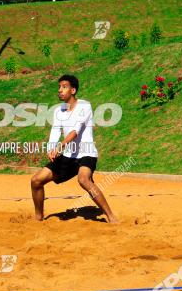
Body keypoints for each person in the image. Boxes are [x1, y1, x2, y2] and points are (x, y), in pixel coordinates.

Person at [30, 74, 119, 223]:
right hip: (68, 156)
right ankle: (38, 217)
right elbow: (55, 130)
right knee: (36, 181)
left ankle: (111, 216)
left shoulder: (85, 106)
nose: (60, 90)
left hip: (86, 153)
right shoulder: (59, 111)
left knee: (83, 179)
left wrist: (59, 146)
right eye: (59, 87)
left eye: (64, 87)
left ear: (73, 90)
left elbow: (75, 131)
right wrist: (51, 148)